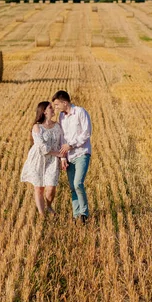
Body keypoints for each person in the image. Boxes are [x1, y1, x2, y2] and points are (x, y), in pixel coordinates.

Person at [51, 90, 92, 223]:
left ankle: (84, 214)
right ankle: (76, 215)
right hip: (68, 156)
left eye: (57, 105)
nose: (55, 108)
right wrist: (63, 157)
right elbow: (62, 137)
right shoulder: (62, 117)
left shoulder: (80, 112)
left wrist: (72, 145)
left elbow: (87, 133)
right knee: (72, 187)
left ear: (65, 102)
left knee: (78, 183)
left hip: (82, 153)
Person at [20, 101, 64, 216]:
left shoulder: (58, 126)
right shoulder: (37, 127)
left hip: (53, 160)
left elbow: (61, 142)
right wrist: (58, 153)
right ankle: (42, 214)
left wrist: (62, 157)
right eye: (50, 107)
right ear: (44, 111)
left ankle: (49, 206)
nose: (53, 109)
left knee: (51, 187)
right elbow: (42, 147)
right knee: (39, 188)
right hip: (38, 160)